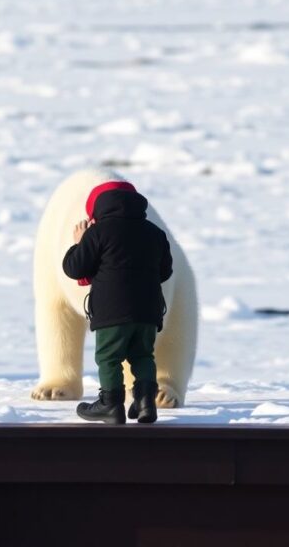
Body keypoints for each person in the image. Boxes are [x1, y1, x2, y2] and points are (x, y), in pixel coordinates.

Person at [62, 181, 172, 424]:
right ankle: (145, 403)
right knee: (143, 355)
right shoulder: (155, 233)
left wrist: (80, 242)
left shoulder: (98, 232)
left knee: (108, 357)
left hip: (112, 311)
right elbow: (165, 272)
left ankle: (110, 404)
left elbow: (74, 268)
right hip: (148, 311)